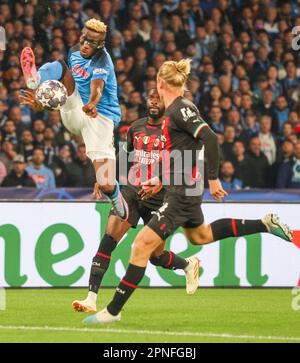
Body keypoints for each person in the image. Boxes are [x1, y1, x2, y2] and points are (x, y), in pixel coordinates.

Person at [84, 59, 292, 324]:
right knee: (200, 236)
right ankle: (265, 224)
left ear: (160, 83)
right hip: (183, 187)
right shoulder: (176, 110)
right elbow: (182, 154)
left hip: (182, 192)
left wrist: (214, 179)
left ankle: (112, 311)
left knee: (141, 247)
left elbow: (211, 138)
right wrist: (159, 178)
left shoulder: (180, 109)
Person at [72, 89, 200, 313]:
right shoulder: (136, 127)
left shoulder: (176, 131)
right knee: (108, 239)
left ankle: (188, 264)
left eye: (158, 99)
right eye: (150, 97)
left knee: (156, 257)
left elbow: (184, 165)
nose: (153, 102)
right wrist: (104, 177)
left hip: (161, 199)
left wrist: (161, 181)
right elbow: (123, 156)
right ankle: (91, 298)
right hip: (131, 192)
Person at [19, 18, 128, 219]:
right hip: (75, 108)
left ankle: (115, 195)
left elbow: (97, 88)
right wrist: (41, 104)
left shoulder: (102, 60)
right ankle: (35, 79)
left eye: (92, 43)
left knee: (106, 183)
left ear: (100, 45)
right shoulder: (75, 51)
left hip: (99, 118)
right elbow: (61, 94)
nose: (86, 45)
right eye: (84, 38)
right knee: (61, 68)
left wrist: (92, 104)